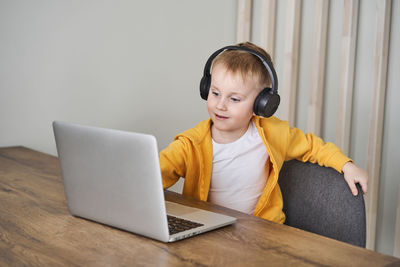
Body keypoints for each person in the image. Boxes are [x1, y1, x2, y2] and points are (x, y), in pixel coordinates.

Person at [159, 42, 368, 223]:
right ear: (206, 88)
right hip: (209, 234)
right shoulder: (190, 144)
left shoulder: (272, 133)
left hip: (263, 230)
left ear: (262, 104)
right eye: (215, 93)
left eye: (234, 99)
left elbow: (312, 147)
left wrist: (345, 164)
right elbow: (157, 171)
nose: (220, 105)